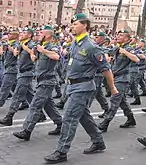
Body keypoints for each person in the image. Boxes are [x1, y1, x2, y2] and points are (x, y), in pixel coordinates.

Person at [44, 13, 118, 164]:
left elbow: (106, 68)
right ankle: (98, 141)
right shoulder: (75, 43)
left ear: (85, 25)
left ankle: (61, 151)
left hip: (83, 87)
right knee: (83, 116)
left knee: (69, 118)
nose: (72, 26)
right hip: (72, 86)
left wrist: (112, 88)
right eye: (71, 24)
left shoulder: (91, 46)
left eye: (75, 24)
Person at [12, 25, 63, 140]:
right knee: (48, 105)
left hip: (47, 81)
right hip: (40, 80)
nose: (38, 35)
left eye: (41, 33)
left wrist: (43, 51)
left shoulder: (51, 46)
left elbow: (56, 57)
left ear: (48, 35)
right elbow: (35, 60)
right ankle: (60, 123)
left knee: (35, 105)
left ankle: (27, 130)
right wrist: (33, 54)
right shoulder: (40, 46)